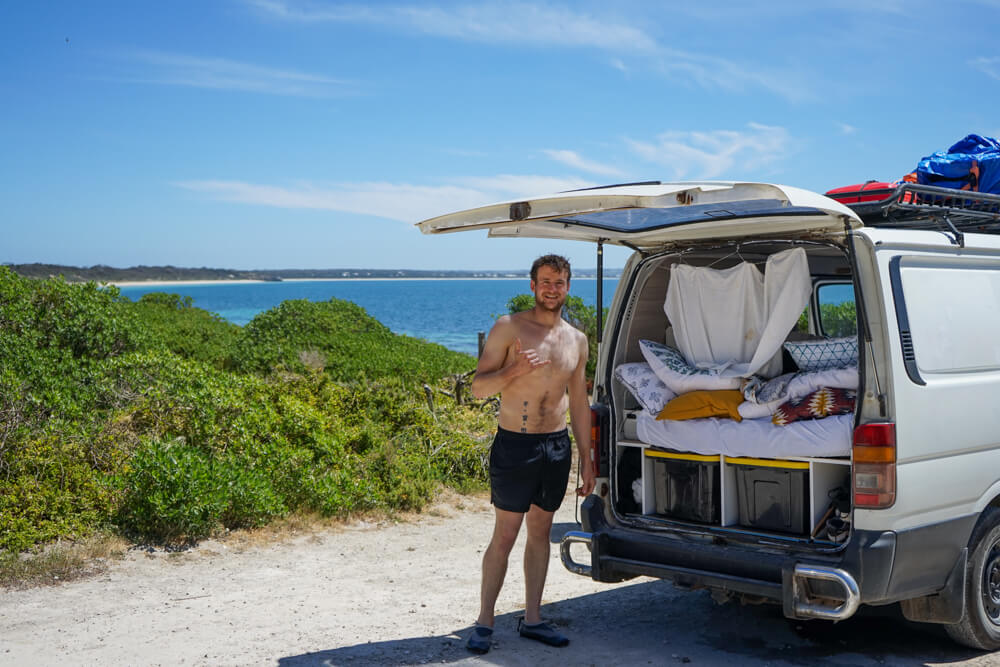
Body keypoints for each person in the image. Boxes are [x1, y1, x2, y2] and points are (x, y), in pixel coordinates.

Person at [465, 254, 596, 655]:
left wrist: (587, 459)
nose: (551, 288)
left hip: (555, 447)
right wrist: (513, 371)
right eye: (544, 281)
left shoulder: (576, 340)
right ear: (532, 285)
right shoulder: (509, 328)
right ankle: (484, 622)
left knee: (540, 534)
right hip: (515, 444)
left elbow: (578, 402)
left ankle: (533, 619)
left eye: (559, 282)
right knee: (505, 535)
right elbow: (477, 388)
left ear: (568, 287)